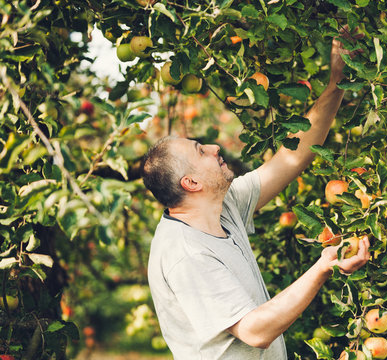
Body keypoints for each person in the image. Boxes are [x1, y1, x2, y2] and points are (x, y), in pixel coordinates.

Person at [141, 36, 370, 360]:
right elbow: (254, 330)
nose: (214, 148)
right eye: (200, 150)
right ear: (191, 183)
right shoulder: (185, 253)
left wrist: (338, 81)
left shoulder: (222, 206)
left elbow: (294, 157)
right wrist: (323, 266)